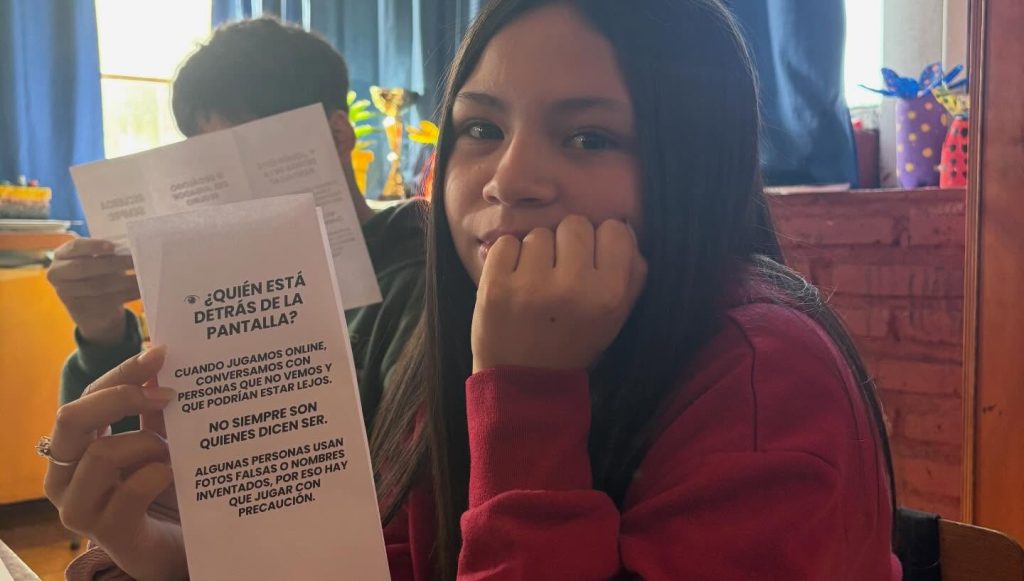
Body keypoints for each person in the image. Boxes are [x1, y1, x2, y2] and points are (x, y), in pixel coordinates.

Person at [43, 1, 901, 579]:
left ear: (695, 161)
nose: (510, 178)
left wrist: (526, 397)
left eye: (590, 136)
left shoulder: (763, 374)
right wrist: (171, 557)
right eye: (481, 127)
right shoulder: (465, 325)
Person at [46, 17, 425, 434]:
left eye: (244, 155)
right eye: (206, 167)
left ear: (336, 137)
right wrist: (101, 334)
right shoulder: (213, 287)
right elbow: (146, 450)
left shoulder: (418, 278)